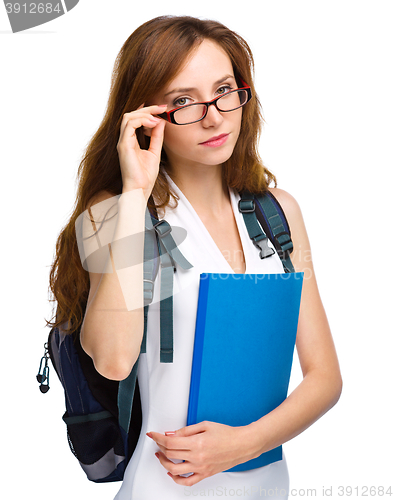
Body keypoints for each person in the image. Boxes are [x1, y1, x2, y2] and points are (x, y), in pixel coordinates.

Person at [47, 15, 342, 499]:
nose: (214, 115)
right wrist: (135, 193)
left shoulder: (277, 212)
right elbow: (115, 360)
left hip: (267, 487)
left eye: (225, 89)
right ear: (146, 115)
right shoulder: (115, 214)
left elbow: (325, 378)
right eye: (183, 101)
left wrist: (243, 444)